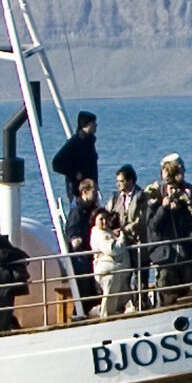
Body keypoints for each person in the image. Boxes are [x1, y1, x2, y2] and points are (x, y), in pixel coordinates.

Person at [143, 154, 192, 306]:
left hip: (183, 253)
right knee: (167, 286)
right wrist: (164, 208)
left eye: (174, 188)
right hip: (165, 255)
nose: (172, 191)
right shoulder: (153, 203)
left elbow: (188, 226)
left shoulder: (181, 200)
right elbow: (154, 226)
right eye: (169, 188)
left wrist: (179, 210)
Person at [63, 177, 101, 318]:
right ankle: (80, 314)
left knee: (91, 287)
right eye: (94, 192)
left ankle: (88, 310)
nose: (96, 194)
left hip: (88, 253)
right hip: (81, 257)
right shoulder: (78, 212)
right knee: (84, 287)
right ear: (84, 193)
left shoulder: (90, 209)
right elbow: (71, 232)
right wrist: (76, 240)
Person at [92, 211, 136, 316]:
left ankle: (128, 311)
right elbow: (113, 249)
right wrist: (122, 237)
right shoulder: (99, 233)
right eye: (101, 219)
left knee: (124, 297)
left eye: (106, 219)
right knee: (110, 300)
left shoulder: (107, 232)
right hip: (110, 272)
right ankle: (106, 317)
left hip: (118, 270)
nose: (104, 221)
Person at [51, 110, 99, 204]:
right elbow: (56, 163)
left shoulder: (89, 142)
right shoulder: (74, 143)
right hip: (77, 191)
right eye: (93, 123)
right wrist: (75, 173)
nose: (96, 125)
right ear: (86, 124)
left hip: (91, 190)